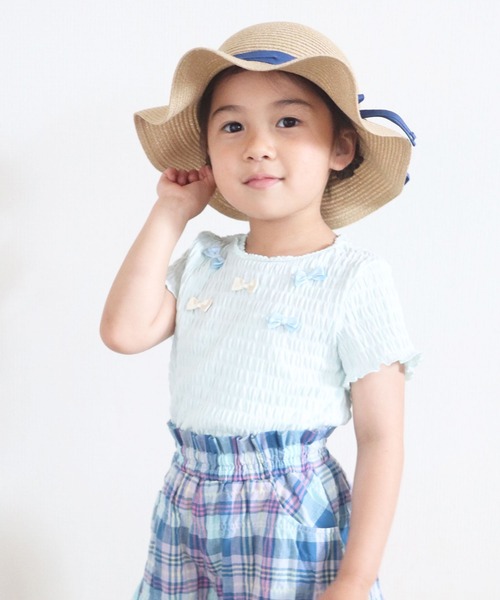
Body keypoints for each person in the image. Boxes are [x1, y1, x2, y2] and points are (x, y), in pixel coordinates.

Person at [100, 21, 420, 600]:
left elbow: (381, 439)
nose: (257, 145)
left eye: (288, 121)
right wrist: (171, 212)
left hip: (289, 519)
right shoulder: (206, 262)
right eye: (232, 126)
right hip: (187, 508)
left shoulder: (354, 279)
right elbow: (124, 331)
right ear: (209, 154)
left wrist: (354, 578)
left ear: (341, 147)